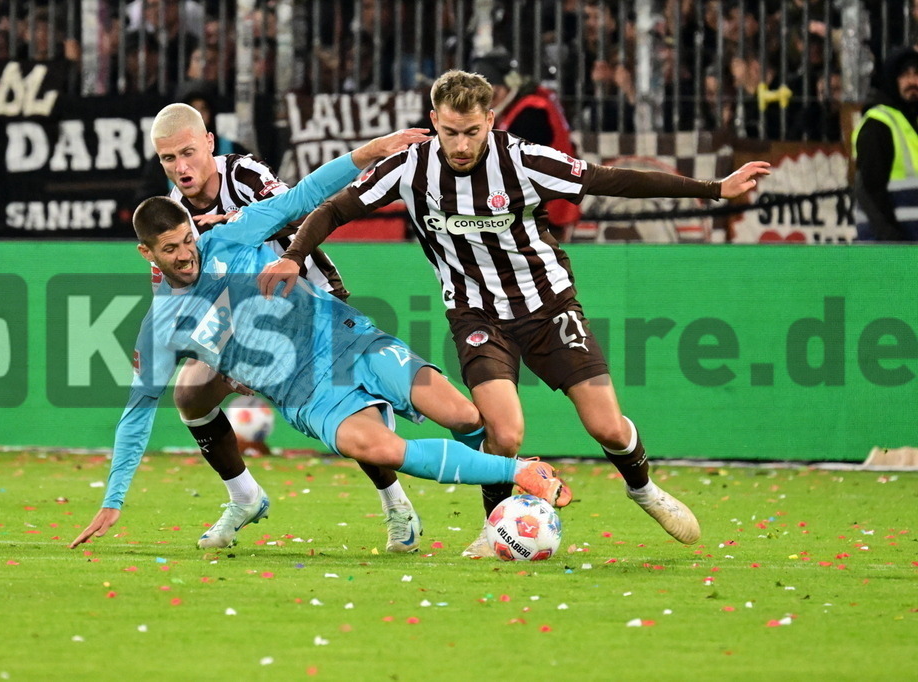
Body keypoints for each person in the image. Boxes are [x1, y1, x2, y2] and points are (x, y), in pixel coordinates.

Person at [258, 69, 771, 557]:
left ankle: (644, 490)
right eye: (451, 132)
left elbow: (609, 180)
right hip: (475, 314)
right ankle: (493, 529)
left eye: (472, 132)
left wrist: (713, 189)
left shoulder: (523, 160)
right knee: (503, 433)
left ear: (491, 119)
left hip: (547, 304)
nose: (461, 145)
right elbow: (334, 209)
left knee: (608, 427)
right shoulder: (410, 165)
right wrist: (292, 255)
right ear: (434, 120)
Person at [68, 138, 571, 549]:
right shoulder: (162, 325)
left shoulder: (231, 235)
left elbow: (302, 196)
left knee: (463, 416)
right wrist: (113, 500)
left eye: (188, 241)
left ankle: (495, 519)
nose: (186, 256)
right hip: (307, 394)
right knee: (380, 448)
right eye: (170, 250)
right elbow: (136, 414)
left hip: (346, 337)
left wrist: (370, 151)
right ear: (147, 253)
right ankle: (521, 472)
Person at [135, 102, 428, 554]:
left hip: (307, 301)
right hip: (243, 323)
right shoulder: (173, 211)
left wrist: (228, 221)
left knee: (348, 422)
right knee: (190, 395)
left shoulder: (244, 174)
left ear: (209, 143)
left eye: (188, 153)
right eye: (169, 159)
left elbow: (298, 212)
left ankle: (397, 505)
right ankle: (244, 498)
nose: (181, 167)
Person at [470, 49, 580, 241]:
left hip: (544, 210)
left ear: (507, 86)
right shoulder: (531, 104)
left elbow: (519, 163)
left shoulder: (531, 112)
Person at [852, 45, 918, 242]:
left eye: (916, 74)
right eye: (904, 75)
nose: (912, 81)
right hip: (886, 249)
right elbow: (868, 190)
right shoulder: (878, 124)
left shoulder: (911, 123)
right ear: (891, 79)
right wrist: (891, 238)